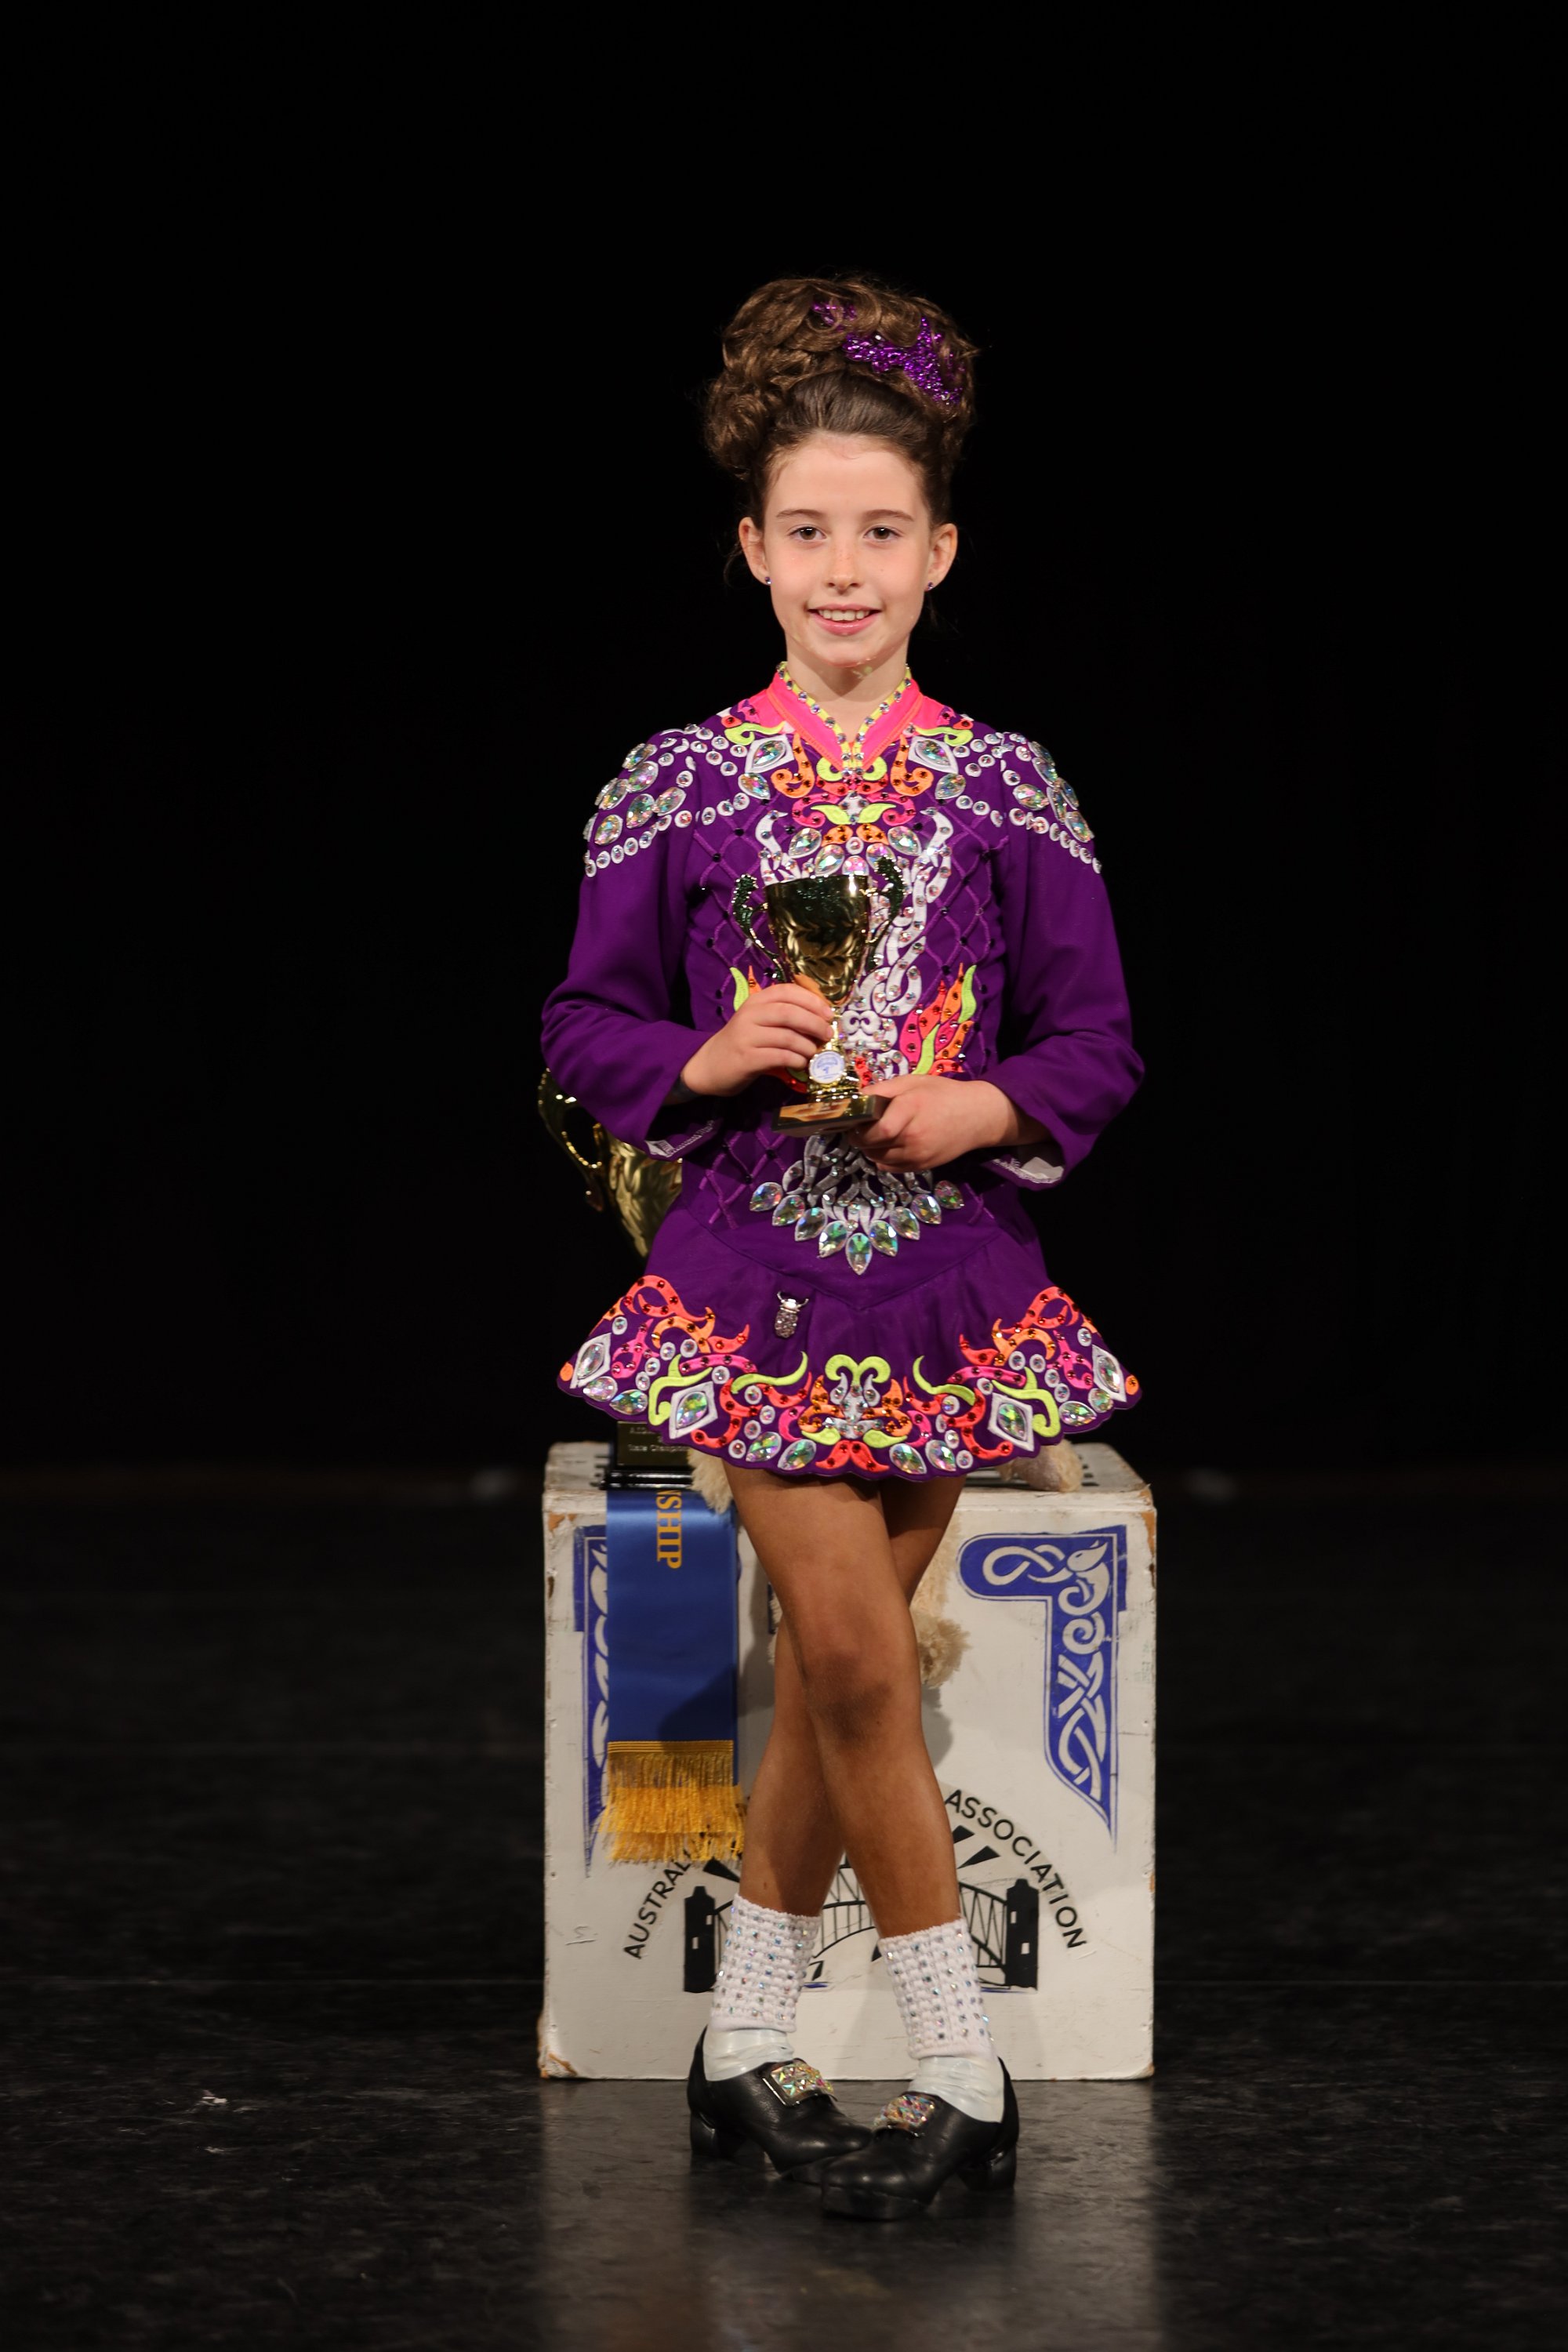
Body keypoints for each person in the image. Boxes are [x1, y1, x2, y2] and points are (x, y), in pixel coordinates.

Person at [541, 274, 1142, 2220]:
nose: (844, 569)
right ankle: (962, 2066)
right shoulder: (674, 780)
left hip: (951, 1286)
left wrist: (983, 1106)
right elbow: (581, 1026)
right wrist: (707, 1056)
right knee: (867, 1664)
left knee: (826, 1682)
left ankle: (737, 2046)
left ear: (941, 548)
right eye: (807, 531)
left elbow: (1095, 1044)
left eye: (881, 531)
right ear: (751, 546)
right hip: (752, 1277)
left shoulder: (1010, 786)